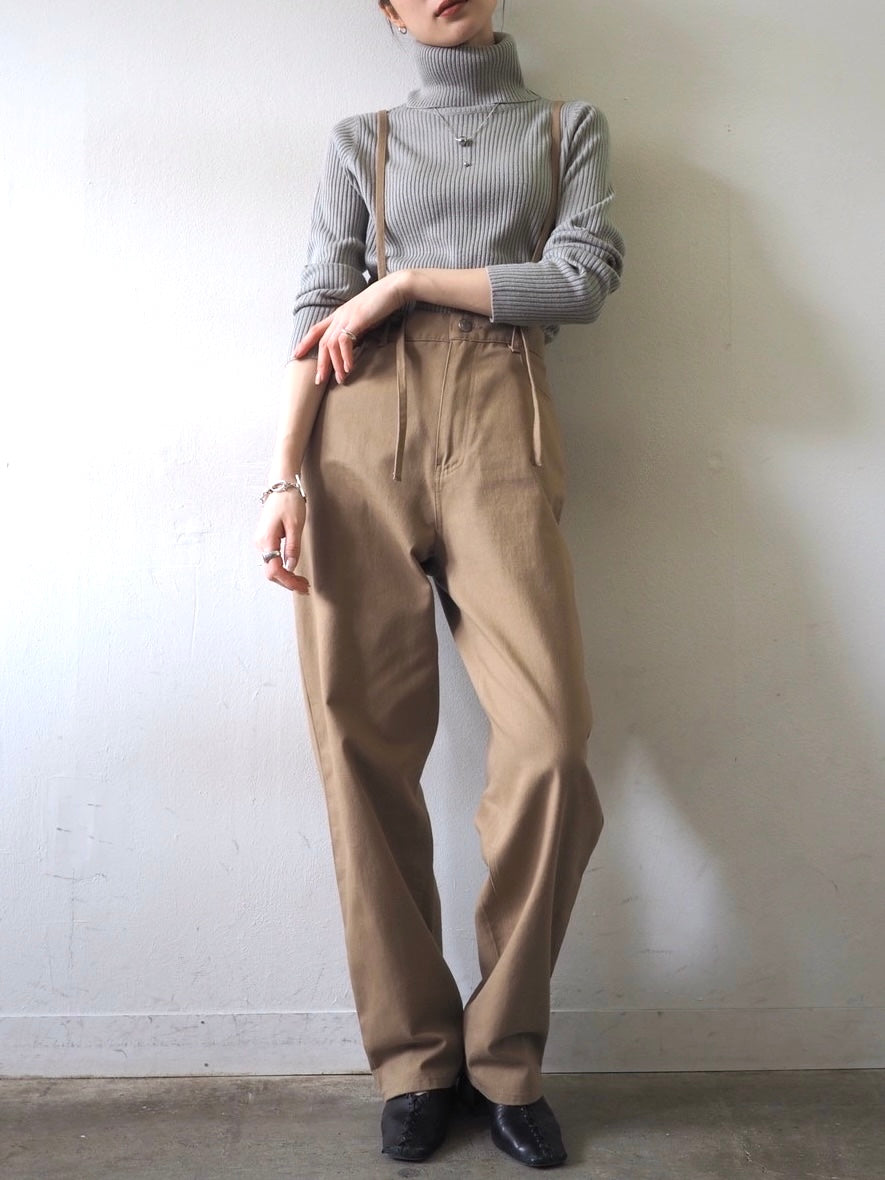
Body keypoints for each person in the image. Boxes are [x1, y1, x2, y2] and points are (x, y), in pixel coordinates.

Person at [254, 0, 624, 1167]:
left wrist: (408, 279)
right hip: (355, 434)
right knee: (359, 740)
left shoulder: (564, 127)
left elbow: (582, 279)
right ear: (386, 7)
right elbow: (315, 313)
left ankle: (504, 1052)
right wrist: (284, 477)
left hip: (501, 419)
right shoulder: (360, 139)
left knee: (552, 743)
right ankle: (415, 1058)